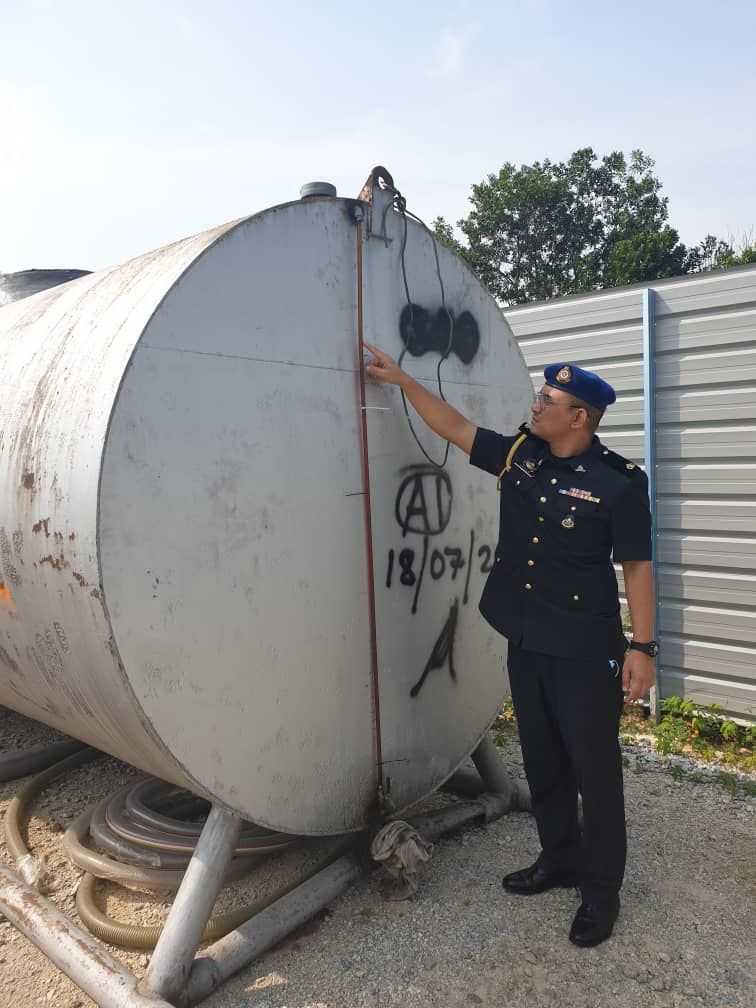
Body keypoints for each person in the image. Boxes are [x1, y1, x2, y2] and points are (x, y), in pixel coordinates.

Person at [364, 344, 657, 948]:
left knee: (594, 774)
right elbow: (455, 427)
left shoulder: (620, 484)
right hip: (526, 640)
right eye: (541, 396)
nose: (537, 404)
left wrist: (644, 648)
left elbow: (636, 567)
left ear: (580, 416)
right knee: (544, 760)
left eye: (548, 400)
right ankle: (558, 859)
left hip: (582, 649)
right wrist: (403, 381)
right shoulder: (523, 456)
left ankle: (601, 889)